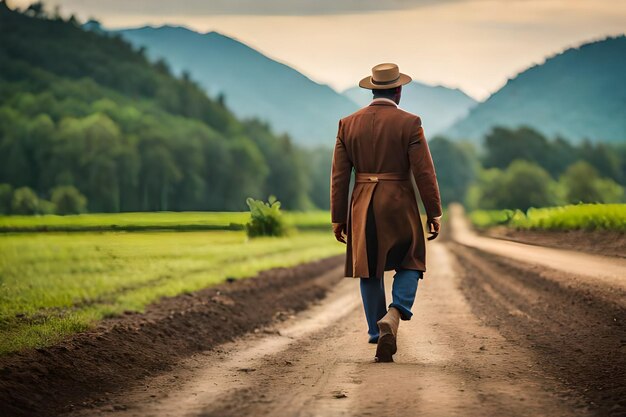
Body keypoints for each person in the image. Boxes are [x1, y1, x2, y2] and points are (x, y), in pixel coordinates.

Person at [330, 63, 442, 362]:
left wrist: (338, 218)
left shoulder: (347, 124)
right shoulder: (411, 122)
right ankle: (394, 314)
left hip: (363, 203)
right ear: (399, 90)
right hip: (400, 201)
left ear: (372, 89)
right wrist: (434, 211)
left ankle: (377, 332)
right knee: (411, 259)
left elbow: (340, 177)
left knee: (369, 266)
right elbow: (424, 172)